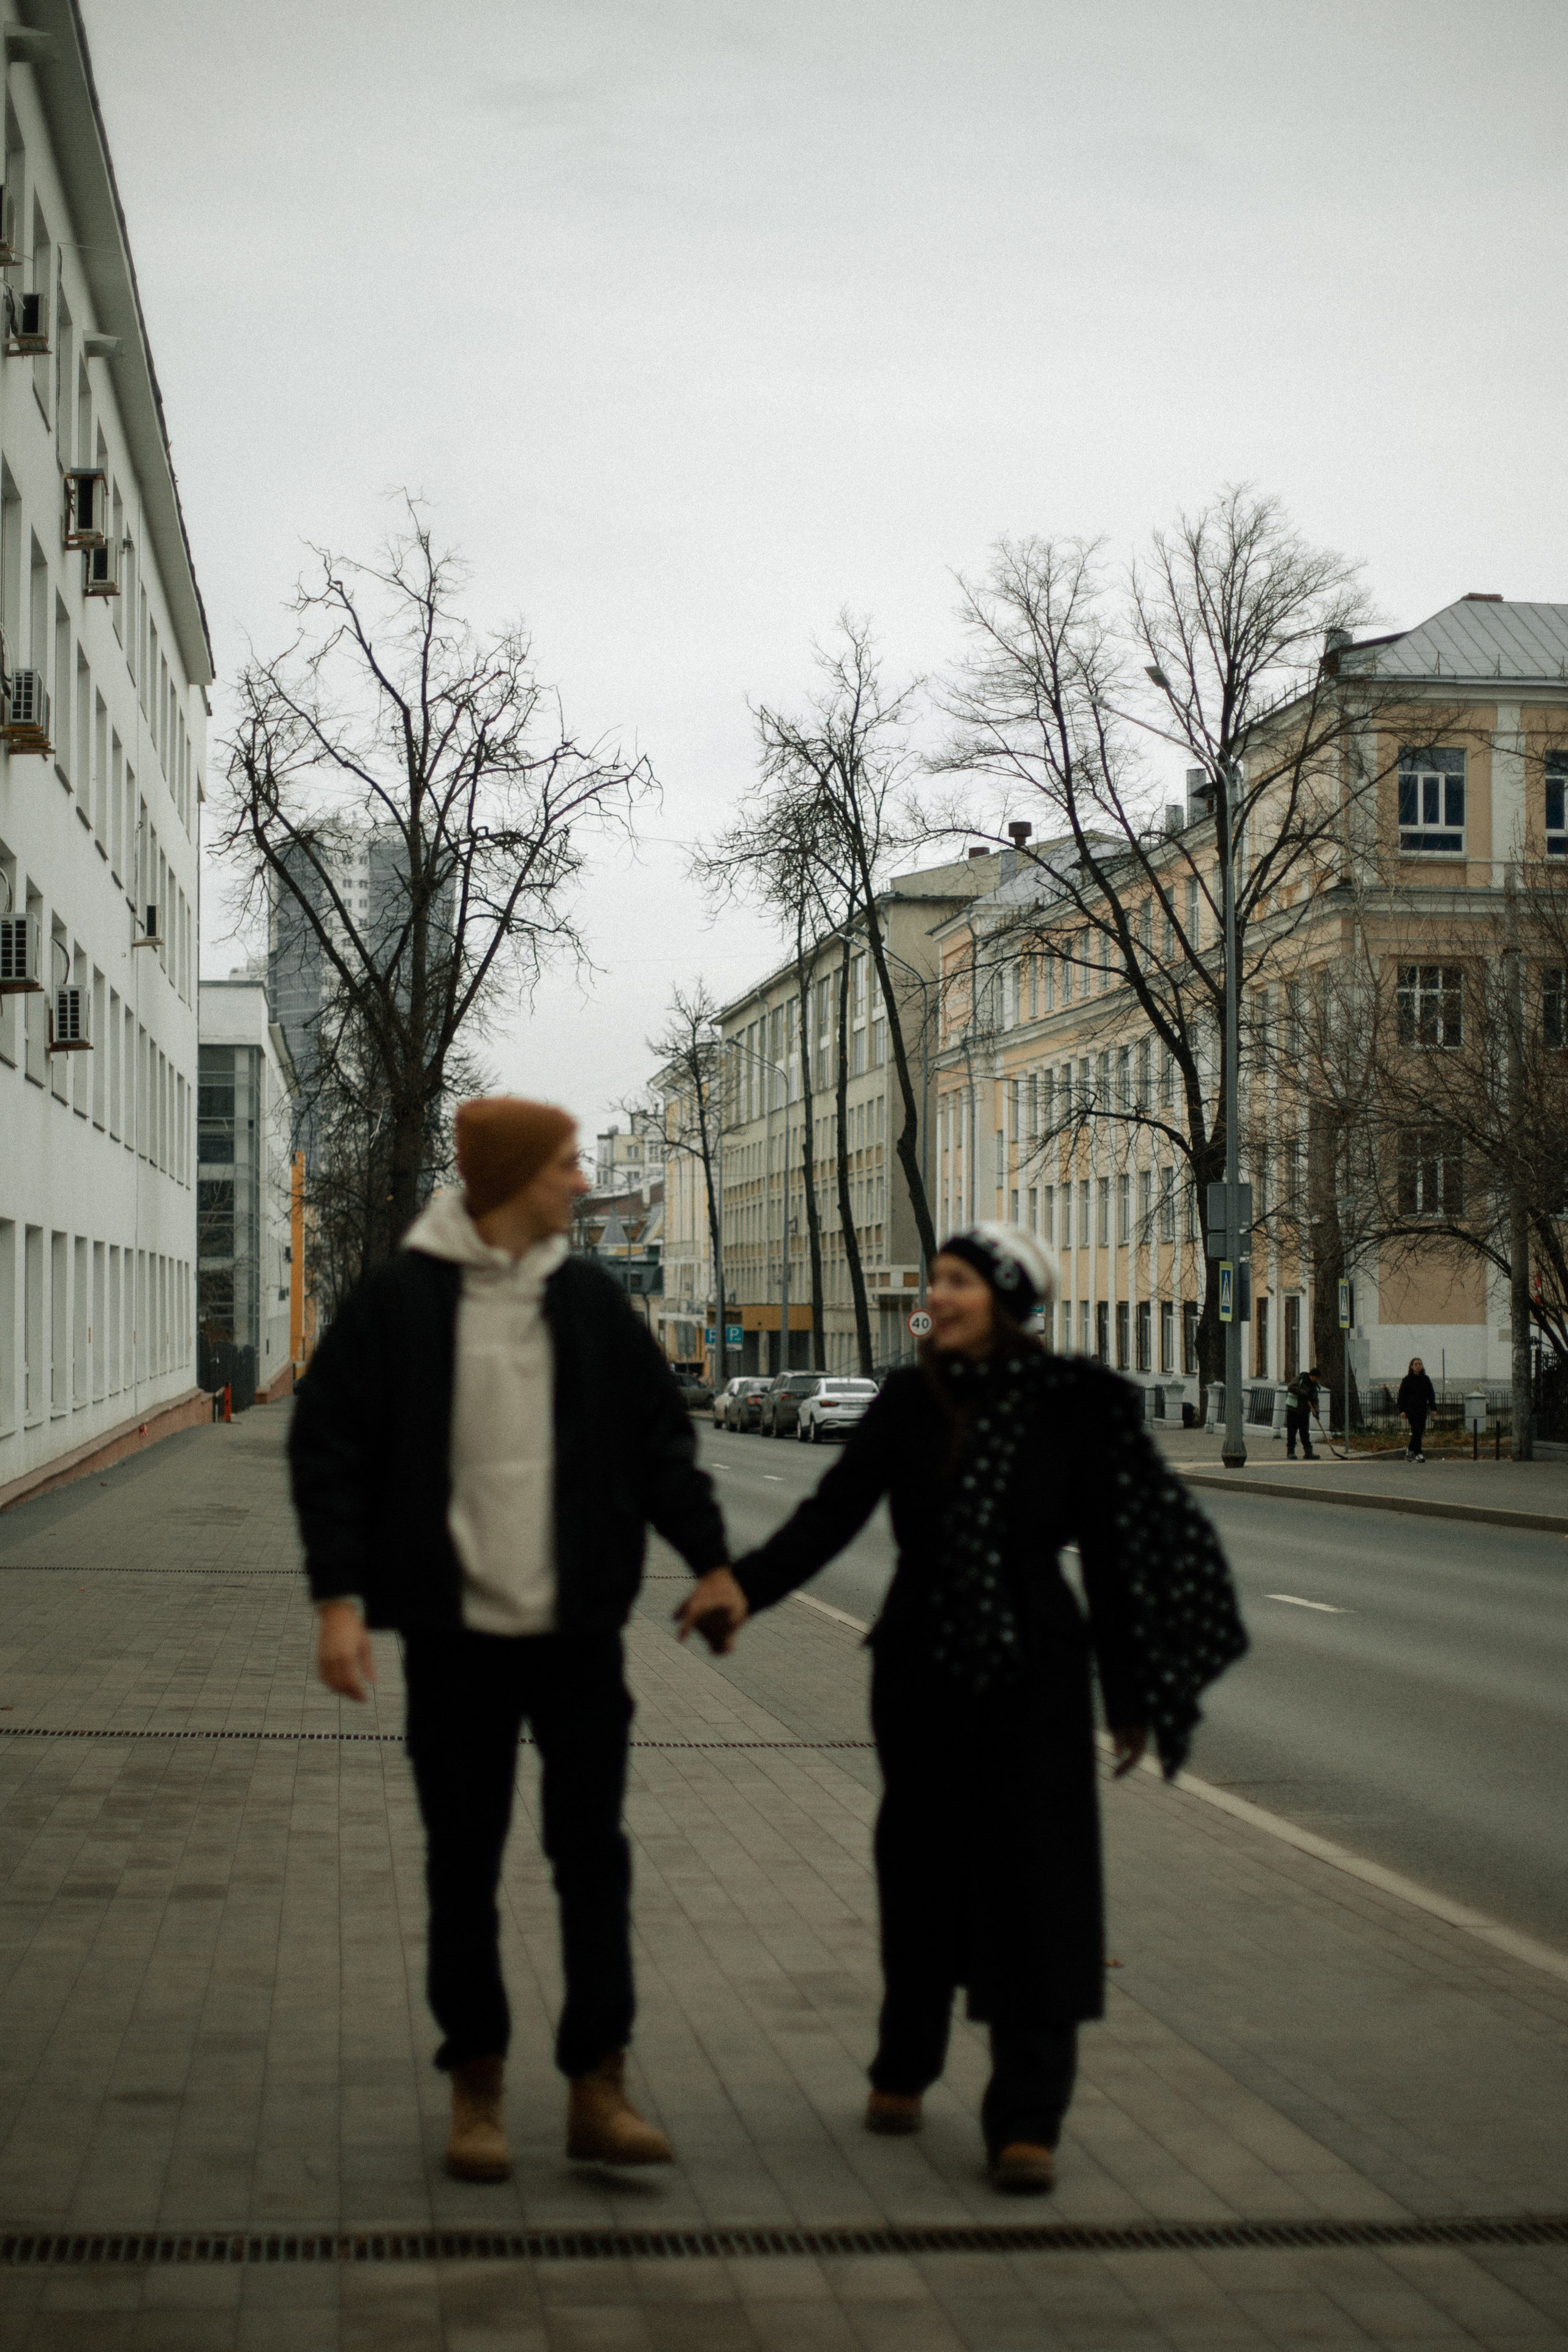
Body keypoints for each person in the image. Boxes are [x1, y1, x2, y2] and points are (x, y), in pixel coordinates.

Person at [677, 1224, 1246, 2196]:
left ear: (1009, 1297)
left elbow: (1114, 1556)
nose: (934, 1296)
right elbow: (833, 1514)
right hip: (920, 1667)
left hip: (1039, 1676)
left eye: (956, 1282)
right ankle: (906, 2061)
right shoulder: (908, 1398)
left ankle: (1027, 2120)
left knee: (1039, 1885)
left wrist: (1137, 1689)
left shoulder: (1080, 1406)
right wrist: (742, 1588)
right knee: (920, 1866)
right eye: (935, 1280)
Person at [288, 1098, 731, 2184]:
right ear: (511, 1177)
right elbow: (329, 1446)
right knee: (463, 1869)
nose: (583, 1183)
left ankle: (598, 2087)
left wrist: (713, 1561)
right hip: (454, 1639)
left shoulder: (585, 1303)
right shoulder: (400, 1303)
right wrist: (338, 1600)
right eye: (568, 1165)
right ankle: (475, 2090)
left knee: (594, 1863)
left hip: (578, 1638)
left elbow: (660, 1445)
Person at [1397, 1357, 1436, 1461]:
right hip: (1411, 1410)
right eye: (1416, 1364)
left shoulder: (1426, 1379)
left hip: (1422, 1409)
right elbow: (1402, 1396)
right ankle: (1418, 1454)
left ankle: (1410, 1449)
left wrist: (1433, 1408)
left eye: (1420, 1364)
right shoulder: (1407, 1380)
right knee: (1417, 1431)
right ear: (1412, 1366)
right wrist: (1402, 1410)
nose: (1419, 1366)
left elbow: (1431, 1394)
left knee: (1420, 1431)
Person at [1286, 1365, 1322, 1459]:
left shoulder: (1314, 1386)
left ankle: (1308, 1453)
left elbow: (1315, 1401)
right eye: (1316, 1378)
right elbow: (1291, 1387)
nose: (1317, 1380)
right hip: (1293, 1410)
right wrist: (1303, 1393)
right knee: (1292, 1432)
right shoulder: (1301, 1379)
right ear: (1312, 1376)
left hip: (1305, 1412)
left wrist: (1316, 1412)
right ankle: (1291, 1452)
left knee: (1305, 1433)